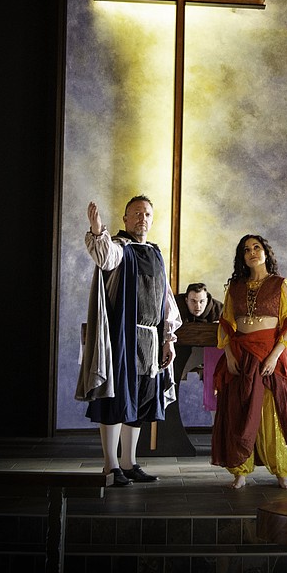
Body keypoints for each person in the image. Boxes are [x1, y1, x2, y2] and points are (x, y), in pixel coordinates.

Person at [75, 195, 181, 487]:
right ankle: (110, 466)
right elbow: (104, 256)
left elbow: (166, 300)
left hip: (150, 338)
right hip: (122, 337)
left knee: (139, 402)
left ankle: (129, 462)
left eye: (147, 213)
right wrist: (98, 230)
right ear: (125, 219)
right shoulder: (120, 249)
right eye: (135, 213)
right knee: (115, 398)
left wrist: (168, 339)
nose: (141, 218)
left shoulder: (156, 254)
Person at [210, 234, 287, 489]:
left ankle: (281, 472)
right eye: (246, 249)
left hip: (270, 354)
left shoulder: (281, 285)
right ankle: (240, 472)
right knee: (239, 411)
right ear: (242, 256)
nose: (252, 252)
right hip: (240, 354)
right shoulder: (235, 287)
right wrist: (228, 354)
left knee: (271, 413)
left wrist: (274, 356)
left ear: (265, 252)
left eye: (256, 247)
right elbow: (226, 323)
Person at [176, 282, 224, 419]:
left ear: (207, 300)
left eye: (202, 301)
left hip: (210, 357)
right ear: (186, 300)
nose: (198, 306)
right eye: (193, 301)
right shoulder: (176, 307)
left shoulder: (219, 310)